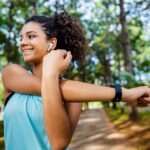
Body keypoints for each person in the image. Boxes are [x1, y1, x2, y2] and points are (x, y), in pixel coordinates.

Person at [2, 12, 150, 150]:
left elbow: (59, 143)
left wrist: (51, 73)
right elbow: (49, 87)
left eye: (31, 36)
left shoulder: (76, 95)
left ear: (52, 43)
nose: (22, 42)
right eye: (21, 37)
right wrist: (123, 94)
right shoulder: (11, 73)